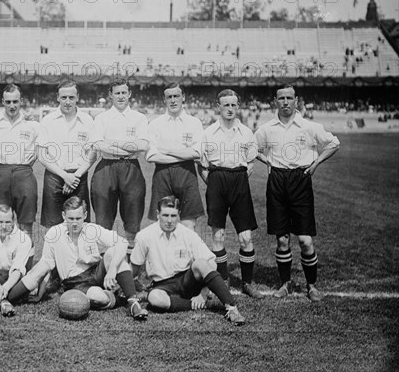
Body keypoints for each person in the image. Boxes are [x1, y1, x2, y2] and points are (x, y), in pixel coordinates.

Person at [254, 84, 340, 302]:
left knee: (305, 240)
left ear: (296, 100)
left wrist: (316, 163)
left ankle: (312, 286)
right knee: (282, 239)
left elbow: (333, 143)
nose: (285, 102)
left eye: (289, 98)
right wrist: (268, 161)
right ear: (275, 100)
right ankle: (285, 284)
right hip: (277, 181)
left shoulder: (310, 126)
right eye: (281, 98)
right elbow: (250, 148)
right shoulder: (267, 128)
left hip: (300, 180)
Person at [16, 196, 149, 320]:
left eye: (78, 218)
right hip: (76, 282)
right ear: (63, 216)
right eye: (70, 218)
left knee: (113, 251)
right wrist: (41, 292)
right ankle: (119, 298)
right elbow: (46, 264)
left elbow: (122, 242)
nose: (74, 223)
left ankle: (133, 302)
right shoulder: (54, 234)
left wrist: (112, 269)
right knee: (98, 297)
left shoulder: (92, 229)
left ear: (85, 216)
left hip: (96, 271)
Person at [130, 196, 245, 326]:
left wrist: (203, 293)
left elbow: (211, 262)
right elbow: (134, 266)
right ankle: (199, 305)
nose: (169, 220)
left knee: (201, 263)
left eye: (173, 216)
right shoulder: (144, 236)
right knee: (154, 298)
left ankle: (231, 309)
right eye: (165, 215)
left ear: (179, 215)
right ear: (157, 215)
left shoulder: (187, 234)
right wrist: (127, 288)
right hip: (162, 285)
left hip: (187, 281)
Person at [199, 89, 263, 299]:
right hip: (216, 180)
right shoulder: (208, 133)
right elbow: (202, 166)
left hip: (239, 181)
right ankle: (223, 279)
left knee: (245, 237)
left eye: (233, 105)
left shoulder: (246, 132)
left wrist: (237, 179)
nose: (230, 109)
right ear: (218, 106)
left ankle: (247, 282)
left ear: (238, 106)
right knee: (218, 235)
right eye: (225, 105)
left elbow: (251, 163)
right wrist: (215, 182)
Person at [0, 84, 40, 269]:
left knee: (26, 224)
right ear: (2, 102)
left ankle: (26, 270)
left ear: (21, 101)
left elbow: (42, 144)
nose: (12, 105)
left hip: (24, 172)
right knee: (2, 223)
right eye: (8, 102)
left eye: (15, 101)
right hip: (1, 173)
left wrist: (33, 157)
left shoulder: (32, 125)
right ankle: (2, 268)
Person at [90, 78, 149, 255]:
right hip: (106, 168)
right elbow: (98, 145)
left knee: (132, 221)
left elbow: (143, 145)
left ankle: (131, 269)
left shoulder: (139, 118)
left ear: (129, 94)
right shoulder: (102, 118)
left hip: (131, 168)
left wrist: (112, 142)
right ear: (111, 95)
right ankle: (103, 267)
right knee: (103, 222)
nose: (121, 96)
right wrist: (128, 144)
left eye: (124, 92)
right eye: (117, 93)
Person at [146, 83, 205, 230]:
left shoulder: (194, 123)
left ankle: (186, 253)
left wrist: (166, 150)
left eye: (176, 96)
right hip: (162, 174)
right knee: (161, 222)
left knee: (188, 224)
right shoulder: (155, 124)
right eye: (169, 97)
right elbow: (152, 156)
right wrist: (184, 154)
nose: (173, 100)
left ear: (183, 97)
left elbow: (197, 153)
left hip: (187, 173)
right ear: (164, 100)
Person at [37, 81, 96, 229]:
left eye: (71, 97)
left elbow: (93, 154)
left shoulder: (87, 120)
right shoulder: (48, 121)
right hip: (54, 176)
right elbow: (42, 154)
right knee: (53, 226)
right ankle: (54, 253)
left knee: (80, 225)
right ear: (57, 97)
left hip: (79, 176)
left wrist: (75, 176)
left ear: (78, 97)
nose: (67, 101)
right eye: (64, 97)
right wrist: (64, 176)